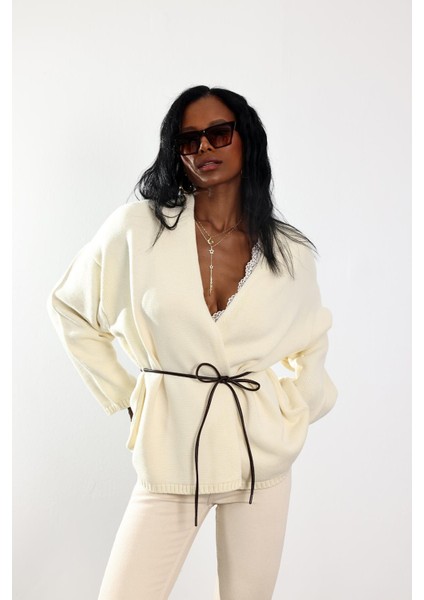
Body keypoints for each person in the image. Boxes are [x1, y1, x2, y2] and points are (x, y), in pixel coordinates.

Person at [47, 84, 338, 600]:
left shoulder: (289, 251)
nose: (203, 147)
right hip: (171, 452)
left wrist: (292, 410)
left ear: (246, 139)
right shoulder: (137, 230)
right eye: (188, 140)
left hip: (260, 458)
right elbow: (70, 306)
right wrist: (128, 396)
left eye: (218, 133)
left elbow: (313, 338)